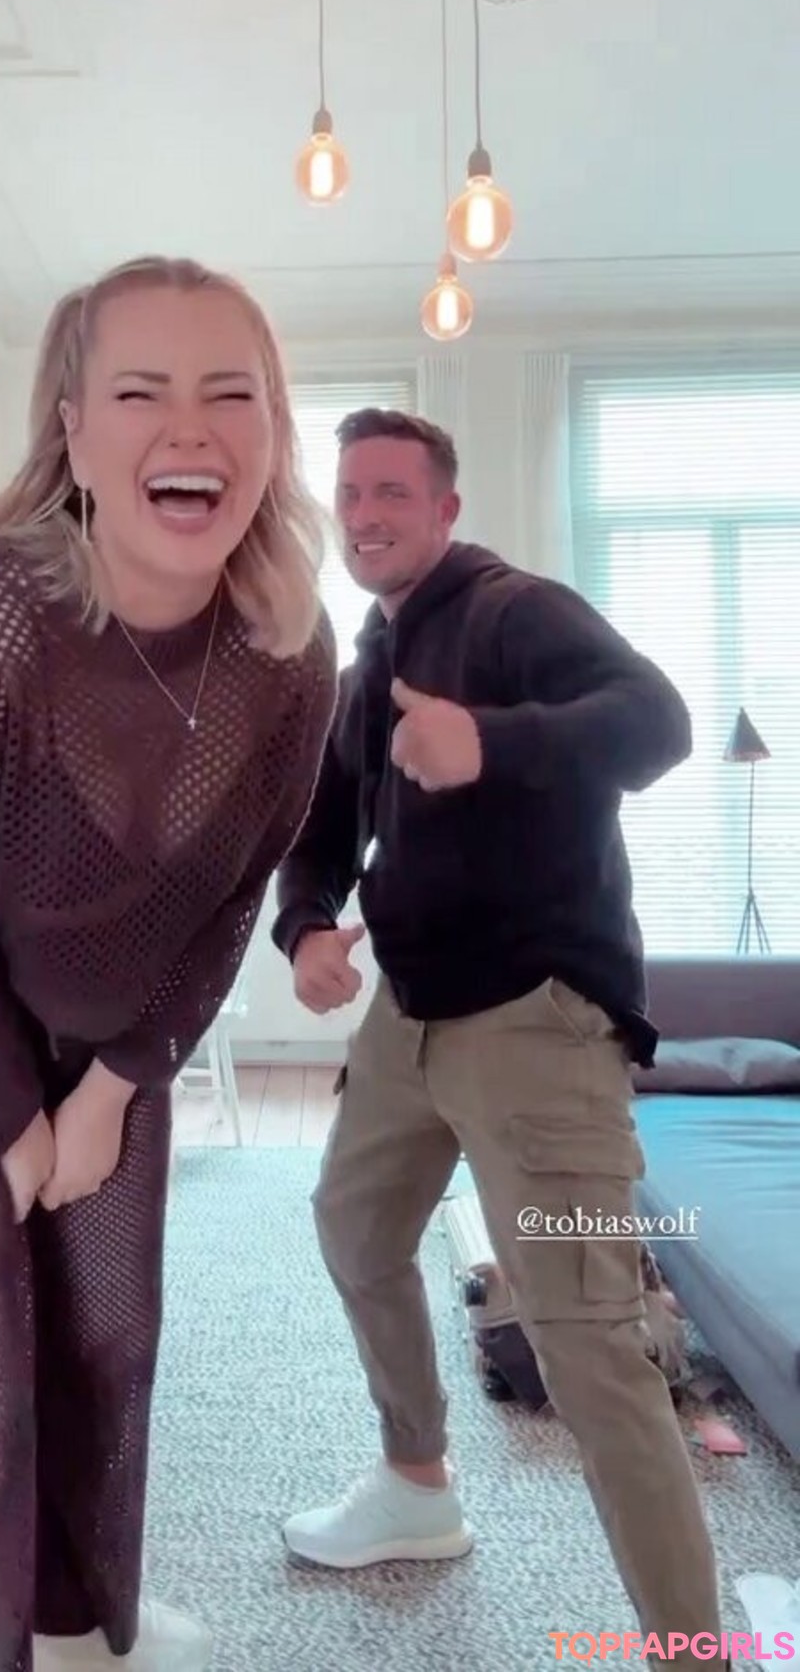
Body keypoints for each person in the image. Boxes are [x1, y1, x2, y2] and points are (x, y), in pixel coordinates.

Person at [0, 256, 337, 1672]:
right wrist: (5, 1123)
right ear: (74, 429)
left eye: (232, 394)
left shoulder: (294, 657)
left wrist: (111, 1084)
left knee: (107, 1348)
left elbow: (228, 901)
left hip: (101, 1035)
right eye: (141, 391)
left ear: (274, 434)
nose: (190, 426)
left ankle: (81, 1635)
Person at [271, 408, 729, 1672]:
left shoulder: (516, 611)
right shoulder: (373, 658)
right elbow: (319, 828)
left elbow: (659, 721)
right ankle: (417, 1480)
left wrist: (492, 740)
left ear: (445, 509)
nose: (367, 513)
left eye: (393, 492)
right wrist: (304, 929)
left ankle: (694, 1652)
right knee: (355, 1228)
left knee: (587, 1339)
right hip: (408, 1014)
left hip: (535, 1019)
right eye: (351, 492)